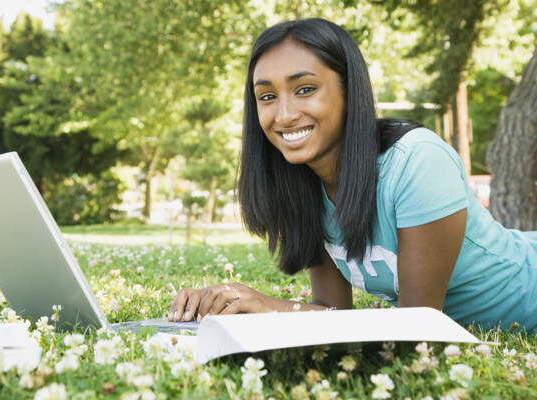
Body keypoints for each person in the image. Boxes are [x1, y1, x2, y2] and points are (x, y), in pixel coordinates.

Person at [168, 18, 537, 332]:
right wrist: (246, 307)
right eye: (267, 96)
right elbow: (333, 311)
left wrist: (269, 306)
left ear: (349, 90)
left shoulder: (417, 161)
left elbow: (419, 327)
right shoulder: (304, 184)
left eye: (305, 89)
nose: (283, 115)